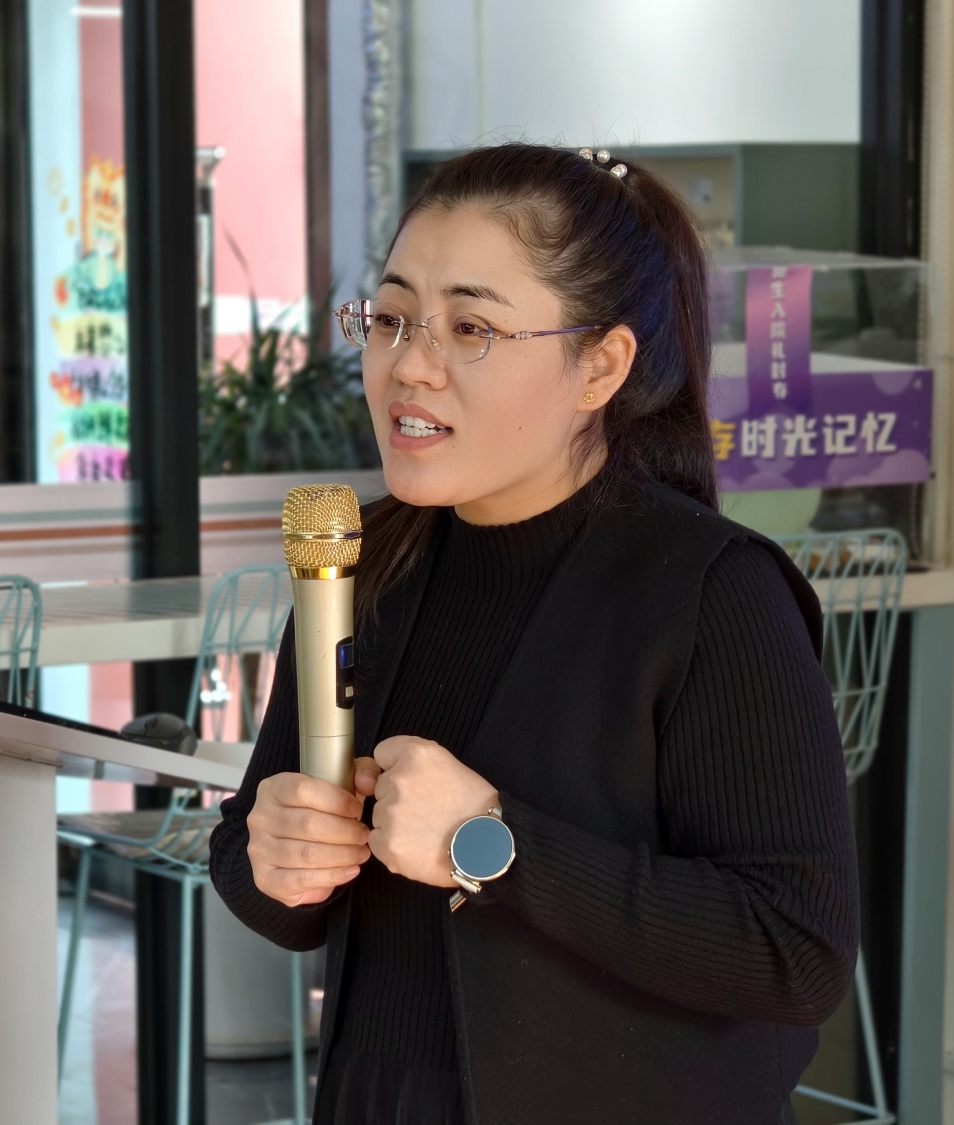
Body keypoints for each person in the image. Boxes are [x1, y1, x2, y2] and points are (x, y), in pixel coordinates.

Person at [208, 142, 859, 1125]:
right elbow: (267, 880)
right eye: (390, 319)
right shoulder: (360, 558)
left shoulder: (713, 592)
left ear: (600, 365)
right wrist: (271, 854)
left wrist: (490, 843)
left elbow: (795, 952)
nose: (408, 365)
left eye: (471, 327)